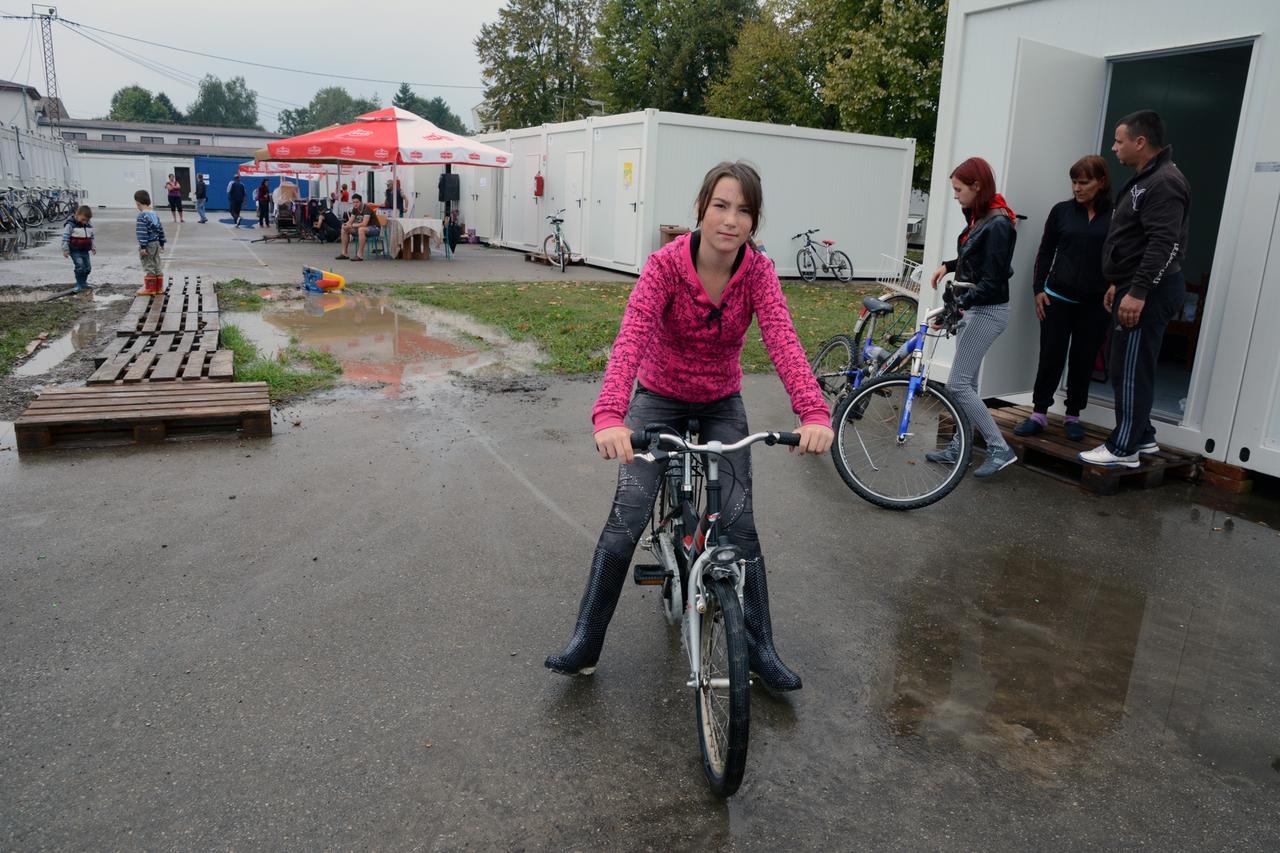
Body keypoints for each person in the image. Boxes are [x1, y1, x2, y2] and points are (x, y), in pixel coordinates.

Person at [544, 161, 834, 692]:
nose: (731, 220)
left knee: (740, 525)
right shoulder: (665, 267)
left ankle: (761, 648)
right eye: (721, 206)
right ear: (700, 209)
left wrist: (812, 411)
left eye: (744, 210)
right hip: (657, 398)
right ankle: (586, 640)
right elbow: (631, 338)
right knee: (627, 518)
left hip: (722, 399)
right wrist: (610, 415)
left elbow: (784, 342)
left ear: (754, 220)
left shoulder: (759, 274)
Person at [1080, 109, 1191, 468]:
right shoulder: (1147, 177)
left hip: (1151, 291)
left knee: (1129, 368)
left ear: (1140, 142)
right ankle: (1143, 437)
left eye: (1119, 140)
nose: (1114, 148)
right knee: (1124, 364)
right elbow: (1135, 238)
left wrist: (1138, 292)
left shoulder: (1164, 183)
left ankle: (1123, 448)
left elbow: (1164, 243)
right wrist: (1119, 283)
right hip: (1133, 285)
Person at [926, 156, 1020, 479]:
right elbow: (974, 258)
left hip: (988, 312)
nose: (955, 196)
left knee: (958, 383)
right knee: (969, 383)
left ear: (976, 187)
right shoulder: (980, 216)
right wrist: (948, 266)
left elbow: (993, 282)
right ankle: (960, 446)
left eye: (958, 189)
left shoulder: (998, 225)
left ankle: (999, 448)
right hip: (977, 308)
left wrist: (956, 306)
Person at [1014, 155, 1114, 441]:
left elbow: (1124, 255)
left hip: (1095, 303)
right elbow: (1045, 252)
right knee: (1051, 356)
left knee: (1083, 359)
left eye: (1084, 182)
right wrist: (1038, 290)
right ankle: (1039, 413)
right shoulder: (1061, 212)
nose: (1077, 188)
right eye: (1074, 182)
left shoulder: (1117, 215)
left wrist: (1116, 284)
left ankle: (1073, 415)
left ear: (1101, 182)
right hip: (1057, 298)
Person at [134, 190, 166, 296]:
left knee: (149, 264)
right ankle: (159, 287)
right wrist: (162, 242)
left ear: (138, 203)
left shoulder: (142, 216)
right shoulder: (154, 214)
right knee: (157, 263)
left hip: (148, 244)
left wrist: (143, 247)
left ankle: (150, 288)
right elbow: (160, 229)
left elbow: (142, 232)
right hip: (156, 243)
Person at [61, 205, 95, 292]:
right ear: (77, 214)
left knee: (87, 268)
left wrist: (93, 247)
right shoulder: (70, 225)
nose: (84, 222)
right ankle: (79, 283)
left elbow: (91, 237)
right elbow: (65, 237)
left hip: (85, 250)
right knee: (80, 266)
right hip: (75, 250)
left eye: (87, 220)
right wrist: (65, 249)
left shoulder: (88, 226)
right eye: (83, 219)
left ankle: (84, 282)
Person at [335, 194, 379, 261]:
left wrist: (352, 225)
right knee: (344, 229)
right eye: (354, 202)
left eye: (357, 202)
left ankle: (359, 255)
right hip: (360, 228)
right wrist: (345, 225)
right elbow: (350, 221)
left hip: (374, 228)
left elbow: (364, 224)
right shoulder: (354, 209)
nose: (355, 204)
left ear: (361, 202)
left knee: (361, 229)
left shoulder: (367, 209)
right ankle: (344, 253)